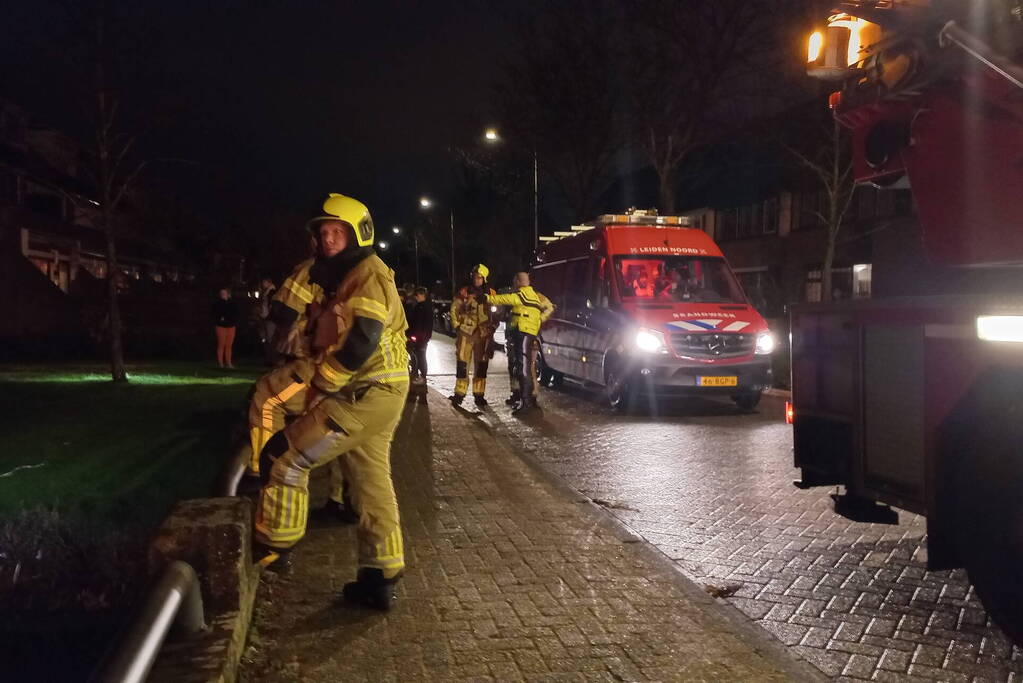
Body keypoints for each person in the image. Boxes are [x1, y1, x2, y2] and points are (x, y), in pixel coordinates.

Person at [255, 193, 410, 610]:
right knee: (371, 482)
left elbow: (361, 340)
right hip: (379, 394)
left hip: (364, 394)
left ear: (358, 233)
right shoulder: (351, 275)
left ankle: (271, 548)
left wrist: (321, 385)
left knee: (285, 457)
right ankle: (381, 574)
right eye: (322, 233)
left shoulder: (367, 274)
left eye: (336, 232)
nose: (327, 240)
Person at [245, 224, 350, 523]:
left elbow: (283, 312)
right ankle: (340, 500)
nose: (324, 240)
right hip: (348, 368)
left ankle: (259, 469)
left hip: (314, 364)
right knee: (338, 437)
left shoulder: (311, 269)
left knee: (265, 397)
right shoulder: (360, 273)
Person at [487, 272, 555, 414]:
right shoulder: (537, 295)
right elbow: (550, 307)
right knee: (528, 366)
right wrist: (539, 320)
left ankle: (525, 400)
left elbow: (502, 300)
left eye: (514, 281)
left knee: (521, 366)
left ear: (518, 281)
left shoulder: (519, 294)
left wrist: (488, 298)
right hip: (531, 334)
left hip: (520, 334)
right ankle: (527, 397)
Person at [449, 264, 496, 407]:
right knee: (463, 363)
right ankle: (459, 393)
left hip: (483, 334)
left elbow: (498, 311)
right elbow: (454, 308)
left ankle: (479, 394)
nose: (477, 280)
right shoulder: (464, 292)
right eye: (475, 277)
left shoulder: (492, 294)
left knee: (481, 365)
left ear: (484, 279)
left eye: (479, 277)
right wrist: (456, 325)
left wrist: (493, 326)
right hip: (466, 332)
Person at [406, 286, 433, 384]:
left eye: (417, 295)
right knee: (418, 356)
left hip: (420, 338)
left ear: (422, 295)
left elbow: (419, 324)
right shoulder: (424, 307)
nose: (416, 298)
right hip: (421, 337)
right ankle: (419, 375)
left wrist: (415, 336)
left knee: (420, 356)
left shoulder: (422, 307)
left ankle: (423, 376)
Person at [213, 288, 238, 368]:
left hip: (231, 326)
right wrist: (220, 319)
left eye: (224, 293)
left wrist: (232, 320)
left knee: (229, 345)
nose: (222, 294)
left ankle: (228, 363)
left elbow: (235, 314)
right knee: (221, 344)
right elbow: (215, 314)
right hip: (221, 326)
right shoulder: (217, 303)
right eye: (221, 293)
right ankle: (220, 363)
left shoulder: (232, 303)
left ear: (228, 294)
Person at [257, 278, 278, 364]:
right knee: (264, 338)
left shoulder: (272, 292)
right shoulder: (264, 293)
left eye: (265, 283)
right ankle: (268, 358)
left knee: (270, 338)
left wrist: (270, 314)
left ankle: (272, 359)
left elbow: (272, 306)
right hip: (264, 318)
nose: (263, 284)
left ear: (269, 283)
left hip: (270, 319)